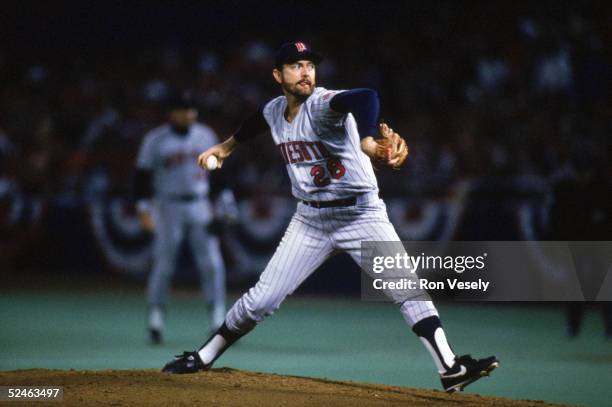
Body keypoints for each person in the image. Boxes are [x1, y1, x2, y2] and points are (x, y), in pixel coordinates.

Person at [162, 42, 498, 392]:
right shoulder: (275, 110)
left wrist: (368, 141)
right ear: (278, 75)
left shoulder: (322, 104)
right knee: (261, 300)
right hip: (310, 221)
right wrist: (226, 147)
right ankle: (203, 357)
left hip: (361, 214)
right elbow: (258, 121)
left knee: (406, 288)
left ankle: (450, 368)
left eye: (309, 64)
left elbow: (365, 96)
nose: (306, 71)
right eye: (295, 65)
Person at [134, 93, 231, 344]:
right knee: (164, 265)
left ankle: (217, 321)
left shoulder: (206, 135)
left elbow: (219, 176)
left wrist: (223, 207)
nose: (187, 114)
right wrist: (143, 209)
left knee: (212, 263)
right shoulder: (155, 140)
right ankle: (155, 321)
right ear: (171, 113)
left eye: (190, 110)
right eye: (181, 110)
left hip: (200, 204)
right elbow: (141, 178)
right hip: (168, 206)